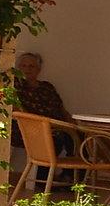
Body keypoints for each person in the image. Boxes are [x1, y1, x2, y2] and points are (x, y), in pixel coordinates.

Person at [12, 50, 77, 187]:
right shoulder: (15, 86)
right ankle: (41, 180)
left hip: (57, 125)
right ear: (18, 68)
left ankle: (70, 178)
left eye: (31, 66)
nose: (27, 69)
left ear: (38, 70)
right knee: (55, 137)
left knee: (79, 137)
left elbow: (61, 108)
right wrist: (41, 124)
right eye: (23, 66)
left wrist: (71, 123)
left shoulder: (47, 87)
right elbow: (16, 109)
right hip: (29, 129)